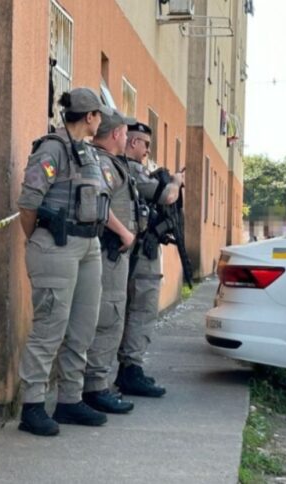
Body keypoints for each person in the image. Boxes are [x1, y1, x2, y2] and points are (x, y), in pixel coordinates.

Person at [16, 87, 114, 436]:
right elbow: (28, 202)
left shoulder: (86, 152)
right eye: (98, 115)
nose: (100, 121)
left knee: (82, 327)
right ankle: (32, 406)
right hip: (56, 245)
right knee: (50, 327)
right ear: (89, 117)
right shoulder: (52, 148)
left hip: (88, 247)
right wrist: (36, 240)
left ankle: (70, 401)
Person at [115, 122, 184, 398]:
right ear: (133, 143)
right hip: (141, 253)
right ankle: (130, 368)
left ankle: (128, 367)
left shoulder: (127, 169)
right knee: (142, 308)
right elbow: (167, 196)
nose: (147, 150)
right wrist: (176, 182)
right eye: (145, 144)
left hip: (134, 251)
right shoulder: (129, 170)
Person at [81, 110, 140, 414]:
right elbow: (99, 204)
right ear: (117, 134)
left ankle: (95, 384)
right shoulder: (102, 163)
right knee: (108, 316)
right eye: (126, 132)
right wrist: (125, 234)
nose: (129, 138)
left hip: (113, 253)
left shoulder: (110, 162)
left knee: (109, 314)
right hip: (109, 252)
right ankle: (95, 387)